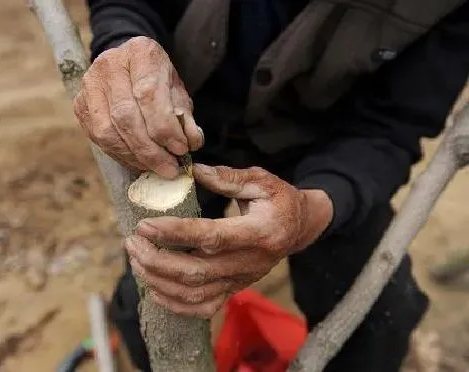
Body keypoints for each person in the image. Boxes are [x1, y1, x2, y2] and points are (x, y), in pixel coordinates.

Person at [74, 1, 469, 371]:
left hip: (328, 146)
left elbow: (392, 124)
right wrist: (122, 44)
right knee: (149, 306)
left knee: (378, 322)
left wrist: (312, 210)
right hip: (179, 122)